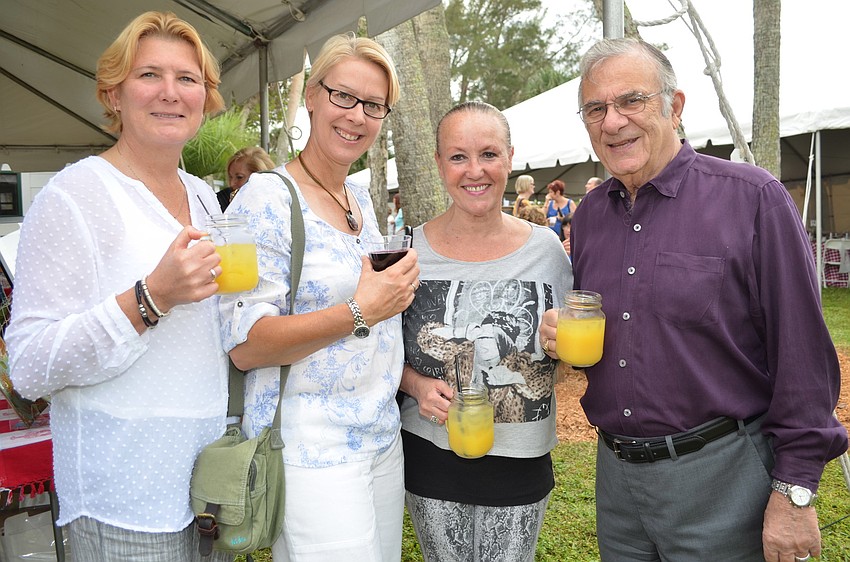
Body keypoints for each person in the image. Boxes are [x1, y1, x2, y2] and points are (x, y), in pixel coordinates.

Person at [539, 37, 848, 562]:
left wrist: (795, 491)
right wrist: (560, 339)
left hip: (724, 478)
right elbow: (619, 335)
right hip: (616, 482)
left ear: (674, 106)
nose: (612, 122)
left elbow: (802, 355)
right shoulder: (589, 216)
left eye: (631, 100)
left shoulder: (752, 199)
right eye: (595, 109)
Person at [5, 11, 232, 561]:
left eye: (187, 78)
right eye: (149, 74)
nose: (170, 92)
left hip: (210, 487)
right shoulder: (73, 196)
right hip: (125, 496)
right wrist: (150, 298)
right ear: (113, 94)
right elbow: (29, 365)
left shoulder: (204, 196)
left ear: (205, 98)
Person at [218, 33, 419, 561]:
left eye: (373, 105)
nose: (357, 116)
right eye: (343, 96)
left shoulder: (360, 199)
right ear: (311, 95)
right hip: (311, 448)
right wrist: (361, 311)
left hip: (381, 436)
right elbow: (246, 345)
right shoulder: (265, 197)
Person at [399, 101, 571, 562]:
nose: (474, 171)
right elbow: (381, 353)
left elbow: (565, 357)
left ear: (510, 158)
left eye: (489, 154)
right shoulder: (409, 250)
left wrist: (562, 347)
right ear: (439, 163)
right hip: (432, 454)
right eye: (458, 156)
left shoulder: (547, 251)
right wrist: (415, 385)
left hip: (520, 458)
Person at [217, 146, 275, 211]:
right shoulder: (221, 202)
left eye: (239, 177)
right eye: (230, 177)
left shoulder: (278, 203)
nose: (232, 183)